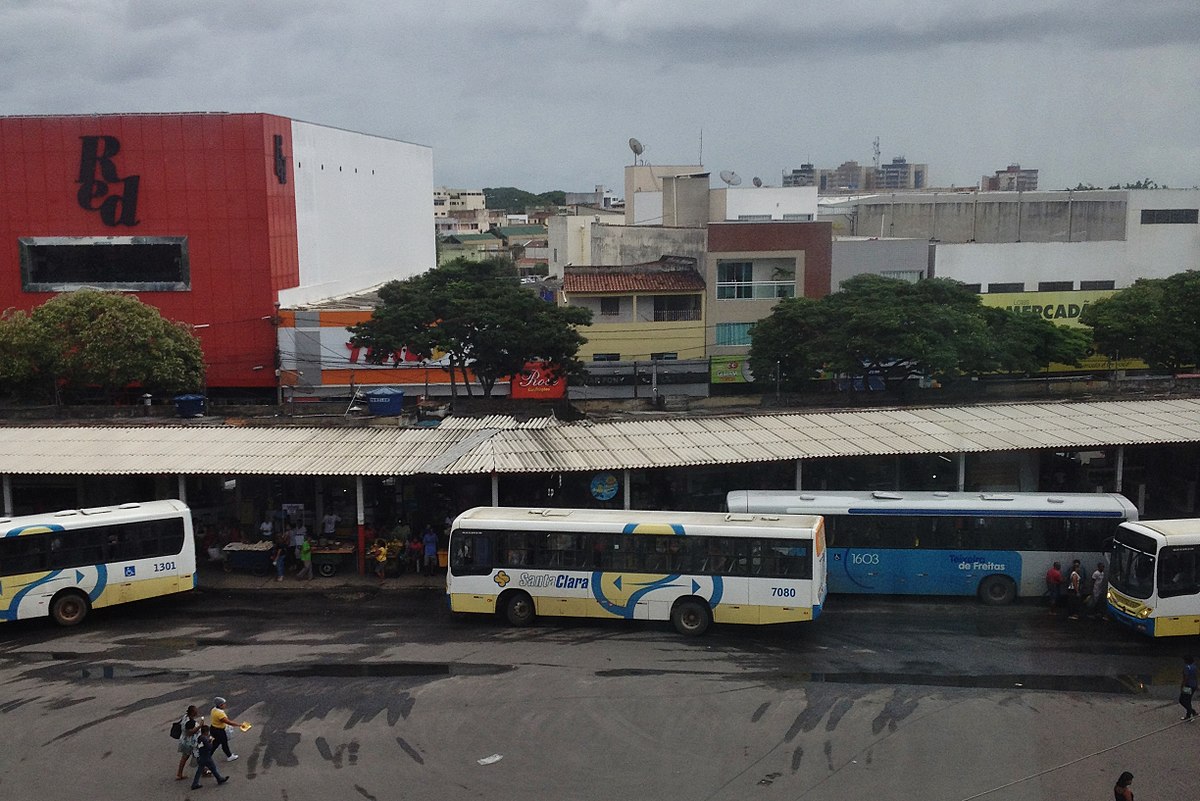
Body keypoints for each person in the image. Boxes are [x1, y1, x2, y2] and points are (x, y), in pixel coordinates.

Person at [191, 724, 230, 789]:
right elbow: (209, 747)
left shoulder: (200, 738)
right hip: (206, 757)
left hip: (201, 756)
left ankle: (195, 783)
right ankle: (219, 779)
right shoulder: (204, 739)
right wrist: (211, 741)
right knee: (213, 767)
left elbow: (201, 746)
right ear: (206, 732)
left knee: (201, 770)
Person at [174, 705, 204, 781]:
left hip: (184, 741)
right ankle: (203, 771)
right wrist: (200, 726)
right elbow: (190, 732)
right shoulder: (189, 722)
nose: (197, 712)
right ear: (193, 712)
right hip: (190, 743)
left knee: (185, 758)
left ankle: (179, 774)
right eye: (196, 711)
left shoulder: (185, 717)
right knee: (199, 755)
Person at [209, 696, 242, 761]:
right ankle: (229, 756)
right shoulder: (220, 714)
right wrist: (239, 725)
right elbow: (228, 722)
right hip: (219, 731)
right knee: (224, 743)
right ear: (220, 705)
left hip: (213, 728)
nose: (225, 705)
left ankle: (208, 754)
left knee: (216, 743)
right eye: (224, 704)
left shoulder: (214, 710)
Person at [1181, 655, 1198, 721]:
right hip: (1193, 685)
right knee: (1188, 700)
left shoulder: (1187, 667)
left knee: (1182, 700)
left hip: (1188, 686)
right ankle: (1190, 713)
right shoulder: (1194, 667)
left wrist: (1182, 686)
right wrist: (1197, 685)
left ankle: (1191, 713)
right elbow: (1196, 676)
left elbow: (1186, 678)